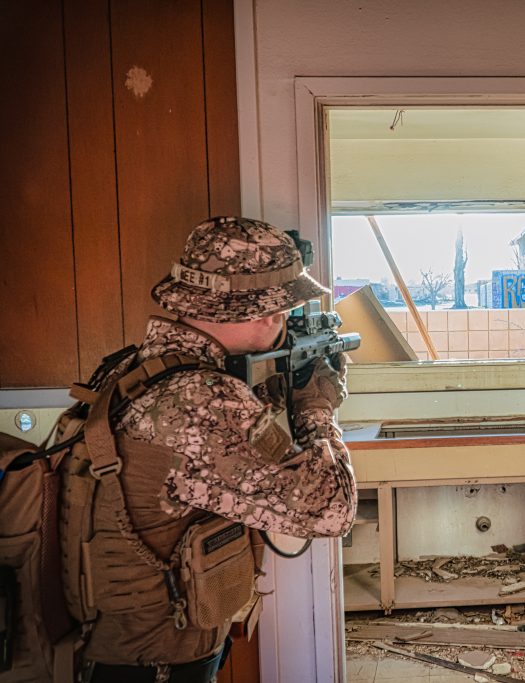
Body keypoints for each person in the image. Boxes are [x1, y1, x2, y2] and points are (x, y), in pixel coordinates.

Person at [60, 216, 357, 682]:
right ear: (271, 313)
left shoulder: (136, 368)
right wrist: (317, 408)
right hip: (153, 665)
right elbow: (332, 510)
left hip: (112, 648)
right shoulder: (204, 400)